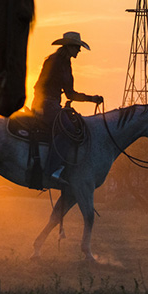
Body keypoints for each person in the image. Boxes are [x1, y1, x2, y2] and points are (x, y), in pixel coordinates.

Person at [31, 32, 104, 183]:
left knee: (75, 126)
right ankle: (52, 170)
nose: (79, 50)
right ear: (69, 47)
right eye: (77, 47)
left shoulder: (65, 63)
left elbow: (70, 94)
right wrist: (38, 106)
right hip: (45, 104)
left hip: (52, 104)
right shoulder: (54, 61)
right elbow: (40, 85)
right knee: (68, 129)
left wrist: (92, 99)